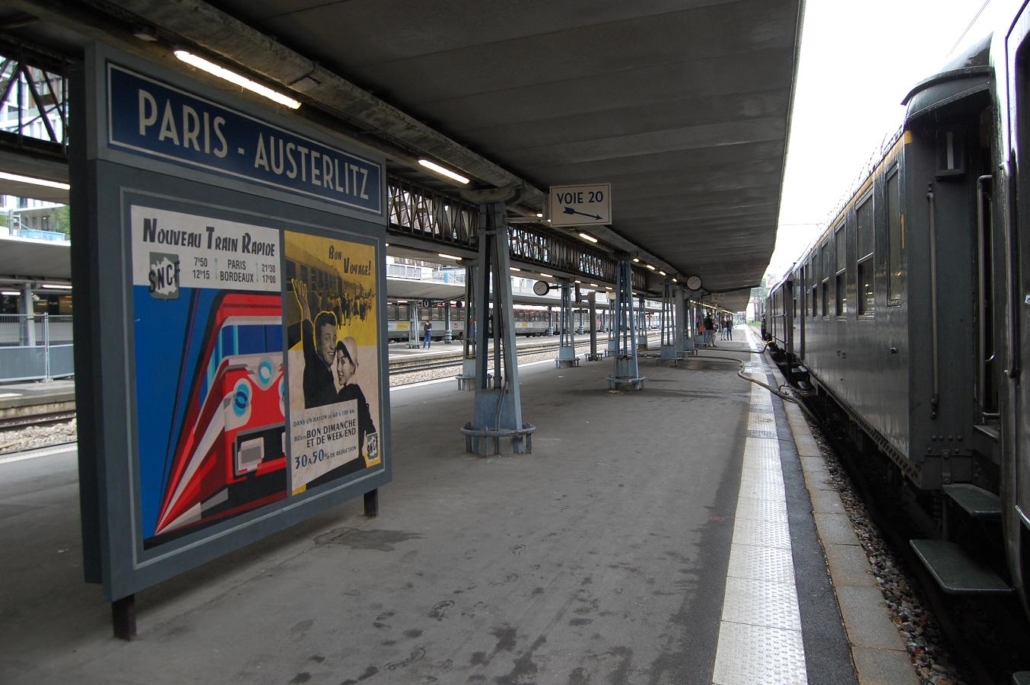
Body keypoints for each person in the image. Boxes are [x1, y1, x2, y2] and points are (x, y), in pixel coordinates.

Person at [293, 279, 338, 408]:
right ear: (317, 343)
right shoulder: (314, 366)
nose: (332, 345)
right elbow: (308, 340)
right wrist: (305, 307)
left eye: (334, 339)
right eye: (327, 338)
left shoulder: (327, 369)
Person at [335, 338, 377, 454]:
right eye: (337, 361)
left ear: (353, 366)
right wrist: (373, 454)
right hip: (358, 462)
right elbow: (370, 427)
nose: (338, 368)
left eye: (343, 362)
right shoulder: (357, 392)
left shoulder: (348, 393)